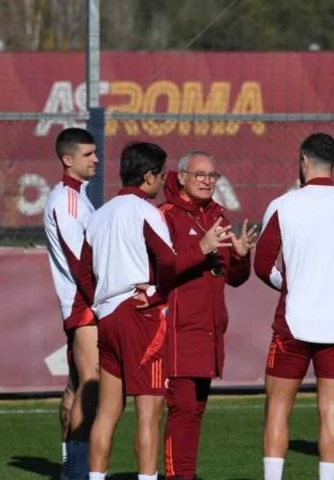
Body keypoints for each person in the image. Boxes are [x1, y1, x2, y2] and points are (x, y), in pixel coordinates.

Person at [84, 142, 231, 480]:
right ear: (148, 176)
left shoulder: (100, 213)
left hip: (107, 316)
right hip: (139, 316)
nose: (164, 181)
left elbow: (81, 268)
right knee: (149, 413)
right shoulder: (146, 210)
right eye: (162, 175)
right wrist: (156, 293)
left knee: (107, 413)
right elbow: (167, 260)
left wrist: (100, 301)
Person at [254, 133, 334, 480]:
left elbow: (262, 265)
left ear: (302, 161)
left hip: (293, 322)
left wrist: (288, 283)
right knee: (332, 409)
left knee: (278, 407)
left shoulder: (284, 205)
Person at [159, 151, 258, 480]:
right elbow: (160, 270)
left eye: (212, 176)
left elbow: (233, 276)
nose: (207, 181)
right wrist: (199, 248)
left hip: (210, 331)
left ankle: (186, 474)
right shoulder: (166, 215)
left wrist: (242, 257)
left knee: (197, 410)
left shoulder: (218, 215)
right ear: (182, 177)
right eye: (199, 175)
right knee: (182, 408)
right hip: (179, 330)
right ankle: (176, 476)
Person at [43, 127, 99, 479]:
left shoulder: (78, 196)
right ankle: (76, 472)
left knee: (77, 386)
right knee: (92, 387)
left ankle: (70, 468)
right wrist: (102, 301)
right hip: (83, 306)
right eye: (88, 154)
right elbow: (79, 260)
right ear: (67, 159)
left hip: (82, 303)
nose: (96, 159)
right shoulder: (66, 199)